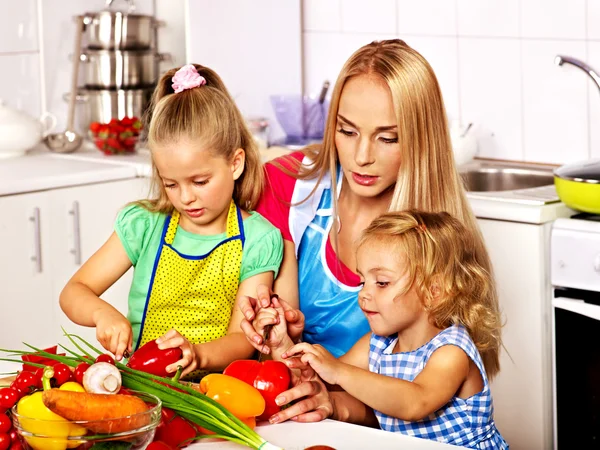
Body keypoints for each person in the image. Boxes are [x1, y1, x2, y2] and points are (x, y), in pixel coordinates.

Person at [239, 38, 501, 423]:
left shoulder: (435, 244)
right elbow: (280, 365)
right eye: (347, 131)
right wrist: (276, 338)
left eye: (387, 137)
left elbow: (414, 403)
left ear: (420, 138)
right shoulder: (289, 189)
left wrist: (332, 400)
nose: (362, 157)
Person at [60, 64, 283, 378]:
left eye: (200, 182)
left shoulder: (258, 239)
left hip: (212, 391)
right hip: (144, 385)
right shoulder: (145, 225)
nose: (186, 198)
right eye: (171, 184)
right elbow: (74, 291)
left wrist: (197, 355)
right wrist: (102, 314)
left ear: (235, 163)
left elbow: (242, 339)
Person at [259, 211, 507, 449]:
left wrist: (338, 370)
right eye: (362, 281)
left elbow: (415, 402)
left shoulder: (451, 351)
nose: (364, 293)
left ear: (434, 291)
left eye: (382, 283)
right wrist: (282, 345)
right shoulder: (378, 344)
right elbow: (323, 381)